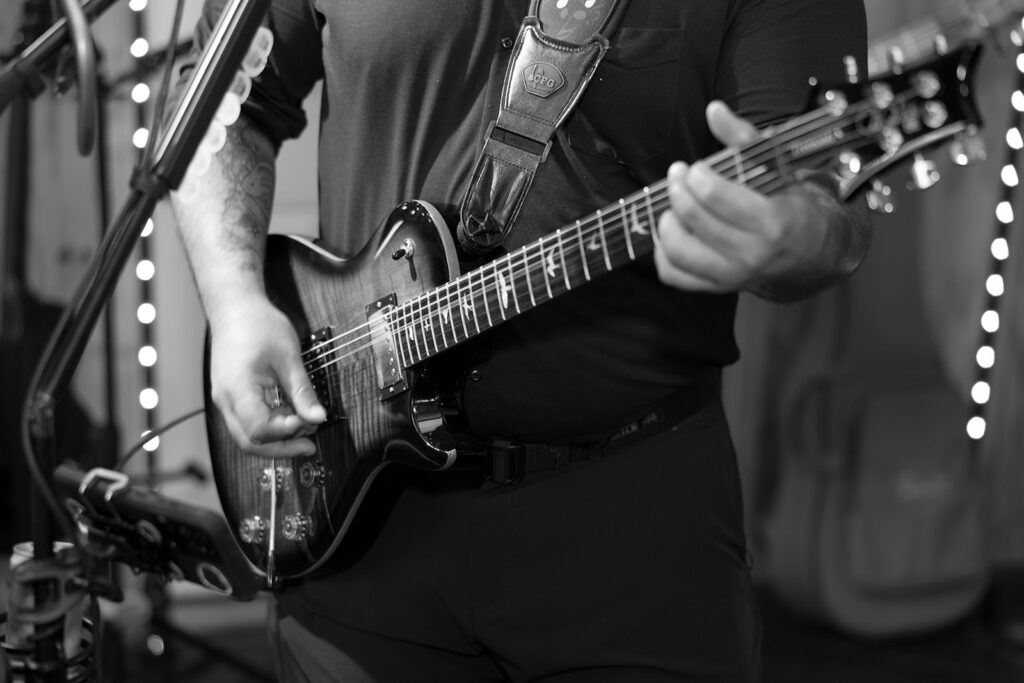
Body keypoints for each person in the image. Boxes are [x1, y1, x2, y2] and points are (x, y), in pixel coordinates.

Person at [170, 1, 870, 680]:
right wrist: (234, 303)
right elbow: (211, 112)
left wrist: (792, 235)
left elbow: (829, 207)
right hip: (359, 505)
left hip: (633, 522)